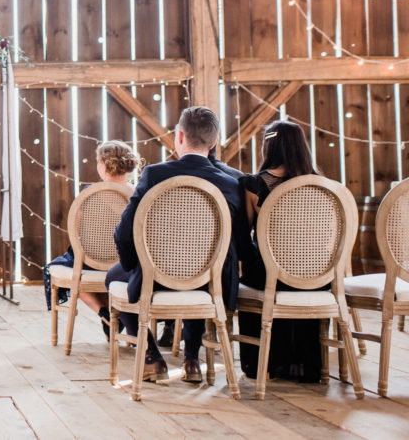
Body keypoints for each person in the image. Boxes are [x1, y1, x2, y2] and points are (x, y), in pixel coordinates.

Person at [105, 106, 242, 385]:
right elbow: (237, 241)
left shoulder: (155, 175)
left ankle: (152, 358)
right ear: (214, 142)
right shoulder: (231, 183)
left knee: (113, 275)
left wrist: (135, 267)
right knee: (196, 273)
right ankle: (192, 360)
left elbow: (124, 233)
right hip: (211, 282)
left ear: (179, 136)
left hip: (158, 276)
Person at [236, 120, 323, 382]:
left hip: (271, 274)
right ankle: (305, 365)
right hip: (317, 276)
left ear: (268, 146)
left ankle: (262, 363)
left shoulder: (254, 185)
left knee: (253, 272)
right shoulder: (323, 185)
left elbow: (242, 241)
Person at [44, 141, 141, 339]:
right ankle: (116, 318)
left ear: (103, 165)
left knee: (66, 271)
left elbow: (76, 231)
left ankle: (103, 313)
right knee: (109, 275)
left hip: (90, 263)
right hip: (124, 265)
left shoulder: (89, 194)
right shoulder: (137, 195)